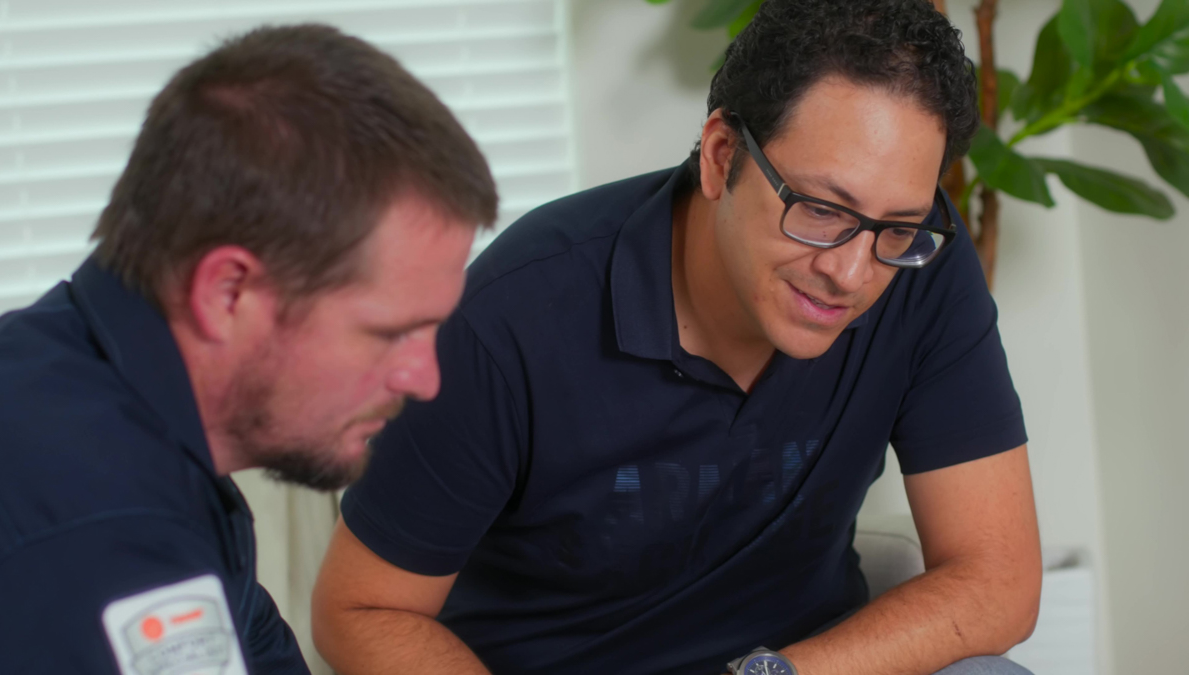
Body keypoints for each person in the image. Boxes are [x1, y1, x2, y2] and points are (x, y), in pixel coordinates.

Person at [312, 1, 1042, 674]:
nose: (850, 274)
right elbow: (360, 610)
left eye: (898, 227)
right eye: (821, 209)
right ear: (722, 156)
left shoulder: (914, 267)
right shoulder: (508, 318)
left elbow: (999, 579)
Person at [0, 24, 496, 674]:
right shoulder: (104, 534)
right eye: (389, 332)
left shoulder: (91, 377)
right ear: (227, 293)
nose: (425, 378)